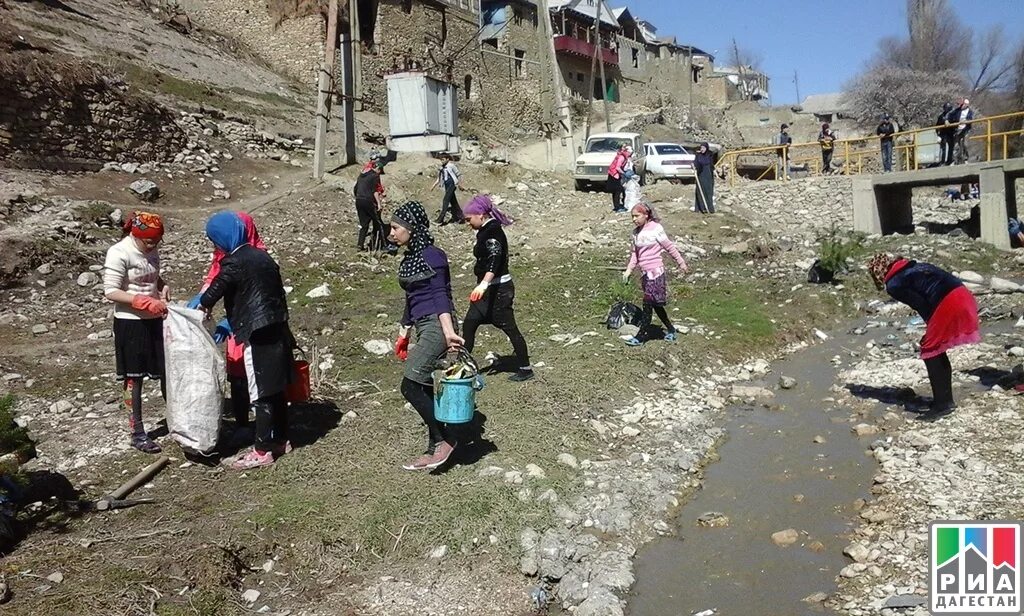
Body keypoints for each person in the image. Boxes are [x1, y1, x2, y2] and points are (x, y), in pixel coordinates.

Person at [199, 211, 296, 469]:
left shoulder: (234, 261)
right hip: (277, 325)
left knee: (260, 391)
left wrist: (205, 304)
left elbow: (217, 288)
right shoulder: (263, 256)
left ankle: (262, 450)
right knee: (275, 387)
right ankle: (281, 439)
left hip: (256, 330)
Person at [390, 201, 464, 471]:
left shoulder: (433, 255)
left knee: (410, 384)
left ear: (411, 228)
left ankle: (444, 440)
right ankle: (438, 441)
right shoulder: (410, 257)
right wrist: (404, 332)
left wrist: (449, 333)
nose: (391, 232)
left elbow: (440, 295)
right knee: (421, 384)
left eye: (396, 227)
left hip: (437, 323)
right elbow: (411, 298)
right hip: (422, 324)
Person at [868, 253, 980, 421]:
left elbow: (921, 304)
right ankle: (942, 400)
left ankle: (943, 405)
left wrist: (931, 325)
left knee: (931, 348)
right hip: (962, 294)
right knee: (934, 347)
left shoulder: (894, 283)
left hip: (949, 301)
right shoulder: (913, 266)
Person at [186, 211, 266, 433]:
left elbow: (257, 297)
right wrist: (202, 299)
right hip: (237, 324)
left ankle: (263, 430)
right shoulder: (224, 251)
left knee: (258, 375)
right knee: (237, 372)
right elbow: (215, 276)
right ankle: (243, 425)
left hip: (254, 326)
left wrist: (228, 321)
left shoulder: (257, 259)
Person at [102, 212, 170, 454]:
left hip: (155, 319)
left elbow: (150, 274)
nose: (153, 246)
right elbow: (110, 290)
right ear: (135, 235)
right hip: (131, 322)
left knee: (165, 371)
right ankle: (137, 431)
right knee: (134, 378)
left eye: (156, 242)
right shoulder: (119, 252)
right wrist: (142, 301)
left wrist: (161, 286)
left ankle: (175, 418)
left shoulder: (151, 249)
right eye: (148, 242)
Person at [461, 195, 534, 382]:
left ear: (480, 215)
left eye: (469, 219)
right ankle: (463, 365)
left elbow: (495, 259)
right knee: (469, 323)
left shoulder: (493, 233)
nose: (468, 223)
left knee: (509, 327)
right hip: (486, 291)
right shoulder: (486, 231)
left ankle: (525, 367)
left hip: (498, 290)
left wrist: (484, 283)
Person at [622, 203, 688, 346]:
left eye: (637, 216)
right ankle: (671, 329)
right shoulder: (635, 233)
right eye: (632, 216)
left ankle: (641, 336)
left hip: (656, 273)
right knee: (656, 305)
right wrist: (628, 270)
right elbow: (635, 254)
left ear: (646, 215)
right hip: (645, 274)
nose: (634, 219)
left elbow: (669, 247)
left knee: (647, 303)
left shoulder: (656, 229)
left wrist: (681, 262)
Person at [354, 159, 387, 251]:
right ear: (378, 169)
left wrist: (359, 198)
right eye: (380, 171)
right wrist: (379, 204)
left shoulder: (361, 176)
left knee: (364, 225)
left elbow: (355, 189)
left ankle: (360, 245)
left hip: (359, 200)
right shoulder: (375, 176)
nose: (379, 173)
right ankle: (383, 245)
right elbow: (374, 191)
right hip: (368, 201)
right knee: (378, 223)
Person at [431, 153, 464, 226]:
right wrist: (433, 185)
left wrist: (460, 184)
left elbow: (459, 174)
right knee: (453, 202)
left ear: (447, 159)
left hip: (452, 184)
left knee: (445, 200)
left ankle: (440, 220)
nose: (441, 161)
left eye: (443, 159)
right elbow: (439, 178)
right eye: (441, 160)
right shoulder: (442, 167)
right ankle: (461, 217)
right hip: (446, 185)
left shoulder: (451, 166)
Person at [693, 142, 715, 214]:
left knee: (708, 191)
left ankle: (709, 207)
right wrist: (693, 165)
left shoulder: (710, 154)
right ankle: (701, 208)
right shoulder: (698, 155)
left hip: (708, 176)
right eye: (701, 148)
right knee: (700, 191)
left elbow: (709, 163)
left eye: (703, 148)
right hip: (700, 176)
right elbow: (696, 163)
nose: (702, 149)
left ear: (706, 148)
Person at [607, 144, 630, 212]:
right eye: (623, 147)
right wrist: (624, 174)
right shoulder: (622, 157)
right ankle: (618, 207)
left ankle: (616, 206)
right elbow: (617, 167)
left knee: (615, 191)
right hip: (615, 175)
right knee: (618, 191)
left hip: (612, 174)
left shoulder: (619, 155)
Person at [951, 98, 974, 165]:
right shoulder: (957, 111)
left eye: (962, 104)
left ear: (966, 105)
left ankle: (965, 159)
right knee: (956, 146)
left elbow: (970, 119)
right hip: (958, 129)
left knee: (965, 144)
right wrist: (947, 120)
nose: (961, 106)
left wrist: (966, 121)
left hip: (966, 129)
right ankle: (954, 160)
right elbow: (950, 115)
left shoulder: (970, 111)